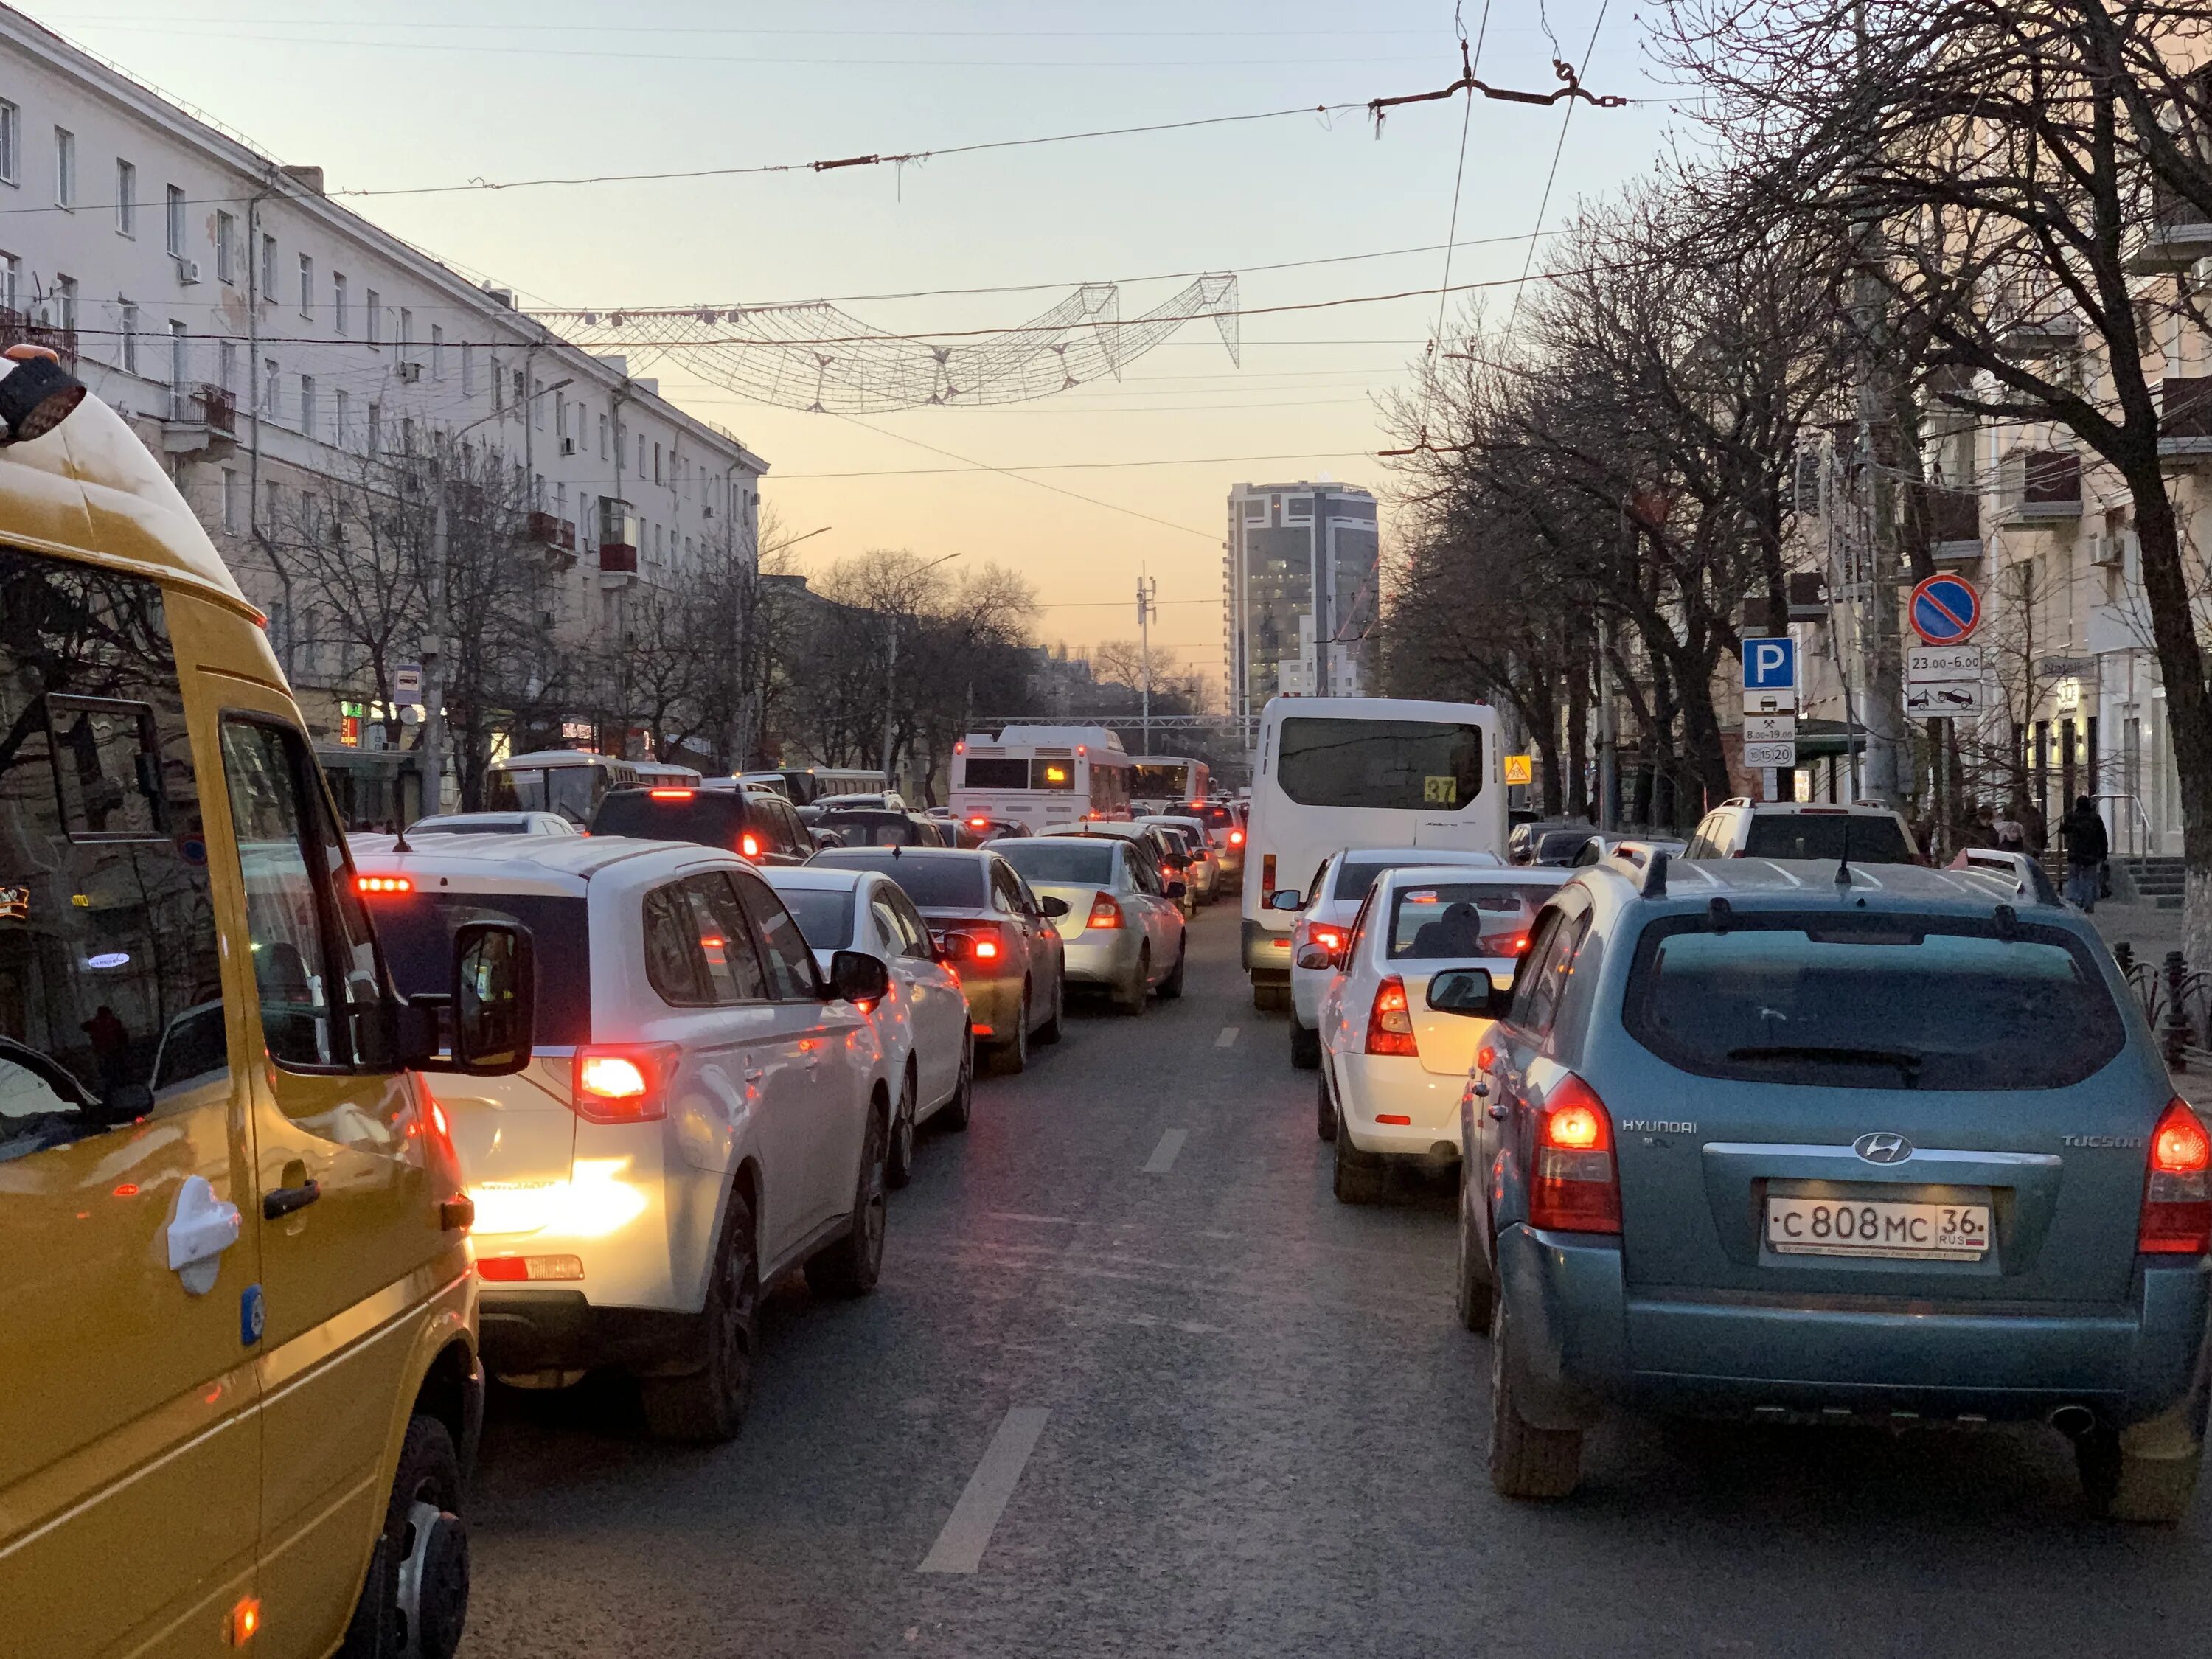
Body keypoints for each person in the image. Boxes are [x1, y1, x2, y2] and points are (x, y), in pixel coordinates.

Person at [2060, 794, 2109, 911]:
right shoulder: (2095, 819)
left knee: (2073, 877)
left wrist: (2067, 820)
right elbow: (2102, 837)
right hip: (2091, 854)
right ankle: (2088, 904)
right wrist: (2103, 855)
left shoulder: (2072, 817)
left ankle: (2075, 901)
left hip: (2075, 853)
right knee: (2089, 879)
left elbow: (2063, 830)